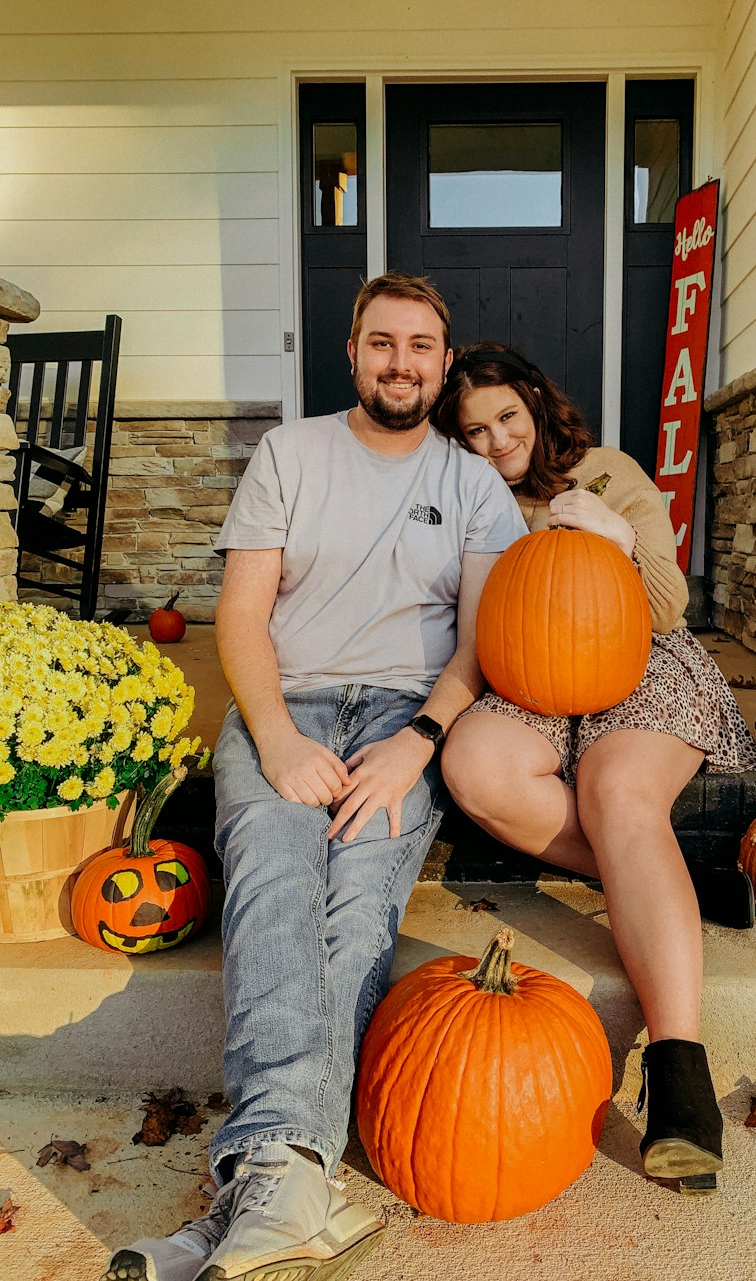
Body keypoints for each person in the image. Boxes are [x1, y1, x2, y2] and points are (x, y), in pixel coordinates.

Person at [101, 280, 526, 1281]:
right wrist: (278, 735)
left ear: (442, 361)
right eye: (382, 342)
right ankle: (291, 1188)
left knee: (356, 908)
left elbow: (485, 637)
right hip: (282, 709)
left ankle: (250, 1202)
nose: (400, 361)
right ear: (352, 353)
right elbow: (240, 616)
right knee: (275, 886)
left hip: (399, 723)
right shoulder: (291, 453)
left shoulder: (472, 484)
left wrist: (420, 739)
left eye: (421, 346)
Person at [432, 342, 756, 1196]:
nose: (497, 439)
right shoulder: (472, 501)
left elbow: (667, 607)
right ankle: (686, 879)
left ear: (537, 401)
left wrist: (614, 535)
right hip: (534, 679)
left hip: (641, 660)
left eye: (507, 416)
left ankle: (682, 1071)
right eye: (474, 430)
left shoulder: (608, 471)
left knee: (618, 792)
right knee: (474, 764)